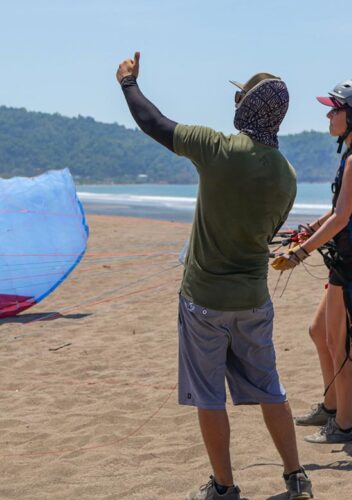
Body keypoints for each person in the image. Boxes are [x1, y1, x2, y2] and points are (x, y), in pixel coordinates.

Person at [116, 52, 312, 500]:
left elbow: (155, 123)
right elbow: (268, 233)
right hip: (254, 300)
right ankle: (295, 476)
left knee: (209, 396)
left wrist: (128, 83)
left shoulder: (216, 148)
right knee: (271, 389)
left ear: (245, 107)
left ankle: (224, 487)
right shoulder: (287, 175)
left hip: (203, 301)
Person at [271, 79, 352, 444]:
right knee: (318, 332)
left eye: (334, 109)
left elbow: (341, 220)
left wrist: (299, 254)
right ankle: (331, 406)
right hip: (343, 260)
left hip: (350, 266)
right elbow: (337, 212)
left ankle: (344, 426)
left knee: (339, 344)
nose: (328, 114)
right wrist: (305, 233)